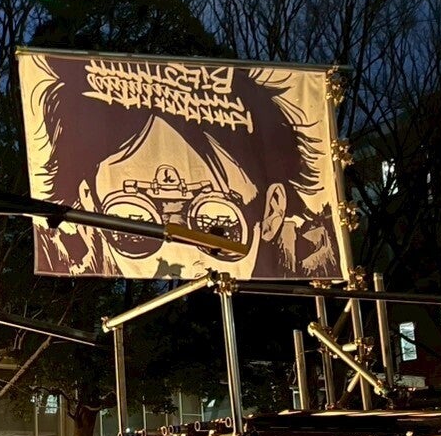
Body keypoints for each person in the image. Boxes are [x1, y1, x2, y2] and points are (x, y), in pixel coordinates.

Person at [22, 53, 342, 280]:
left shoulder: (314, 252)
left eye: (216, 224)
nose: (173, 254)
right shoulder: (65, 252)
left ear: (272, 210)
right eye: (133, 224)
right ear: (89, 202)